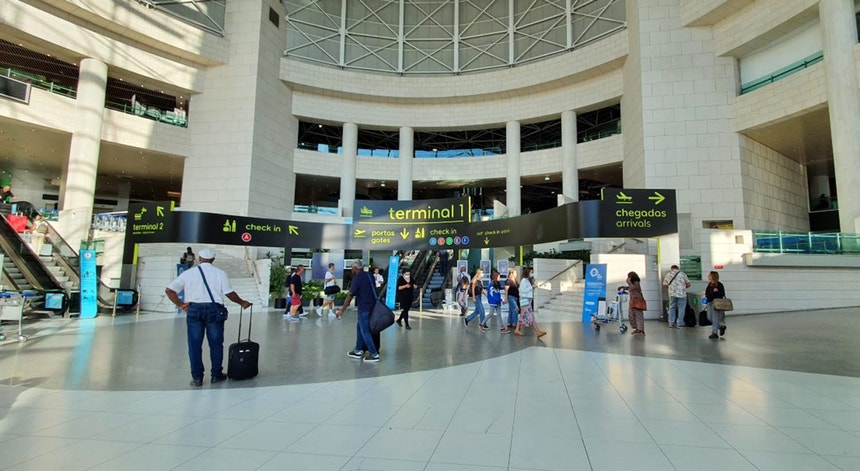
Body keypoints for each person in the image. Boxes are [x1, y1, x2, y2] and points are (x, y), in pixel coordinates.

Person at [164, 248, 252, 387]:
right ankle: (216, 375)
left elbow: (169, 290)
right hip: (214, 310)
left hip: (194, 310)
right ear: (213, 259)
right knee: (216, 344)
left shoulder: (189, 273)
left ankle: (197, 378)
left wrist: (181, 305)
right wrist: (242, 303)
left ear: (199, 259)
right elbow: (229, 293)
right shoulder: (220, 273)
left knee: (194, 345)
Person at [337, 260, 380, 362]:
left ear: (355, 269)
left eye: (352, 268)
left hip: (364, 308)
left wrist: (342, 310)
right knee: (359, 327)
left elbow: (349, 296)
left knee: (365, 331)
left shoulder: (357, 279)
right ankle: (357, 350)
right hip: (372, 307)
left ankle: (374, 354)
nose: (351, 269)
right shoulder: (369, 275)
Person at [514, 269, 546, 338]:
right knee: (530, 315)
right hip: (525, 300)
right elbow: (522, 290)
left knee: (523, 315)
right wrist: (531, 287)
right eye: (531, 272)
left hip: (526, 300)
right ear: (528, 273)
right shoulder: (524, 280)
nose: (532, 274)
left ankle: (517, 329)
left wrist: (532, 287)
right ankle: (537, 332)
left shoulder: (526, 280)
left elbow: (526, 289)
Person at [663, 264, 690, 328]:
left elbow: (664, 284)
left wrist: (670, 288)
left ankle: (671, 323)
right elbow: (688, 284)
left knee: (672, 308)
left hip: (672, 294)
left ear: (671, 268)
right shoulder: (683, 274)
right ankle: (680, 323)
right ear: (678, 268)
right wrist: (682, 287)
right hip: (682, 294)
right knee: (681, 308)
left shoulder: (668, 274)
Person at [705, 270, 727, 339]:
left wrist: (717, 292)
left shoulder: (719, 285)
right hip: (709, 302)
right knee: (709, 317)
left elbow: (722, 294)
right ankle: (720, 327)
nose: (708, 276)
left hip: (716, 303)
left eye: (710, 275)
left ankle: (714, 333)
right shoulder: (709, 284)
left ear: (713, 276)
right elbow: (707, 294)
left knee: (715, 318)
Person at [624, 271, 646, 336]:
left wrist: (628, 282)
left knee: (638, 316)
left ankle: (641, 330)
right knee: (631, 315)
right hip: (632, 301)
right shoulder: (632, 284)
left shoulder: (636, 282)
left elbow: (633, 287)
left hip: (638, 301)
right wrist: (624, 287)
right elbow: (630, 288)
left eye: (629, 276)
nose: (628, 278)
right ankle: (636, 328)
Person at [503, 267, 519, 333]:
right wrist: (506, 298)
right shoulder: (508, 281)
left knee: (511, 310)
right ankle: (515, 323)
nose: (516, 274)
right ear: (512, 273)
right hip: (510, 297)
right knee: (516, 309)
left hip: (516, 297)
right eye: (515, 273)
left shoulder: (515, 281)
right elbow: (506, 289)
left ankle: (510, 322)